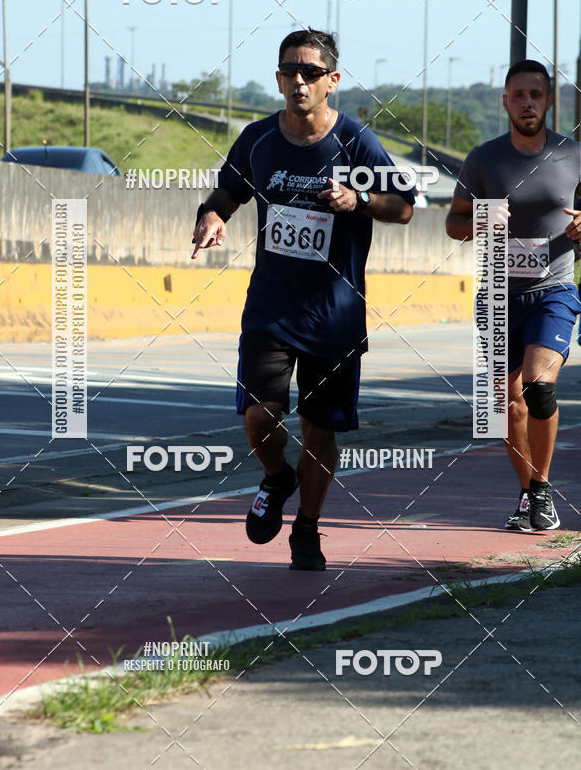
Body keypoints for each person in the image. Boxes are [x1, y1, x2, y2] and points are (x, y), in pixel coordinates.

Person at [191, 28, 415, 569]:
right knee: (258, 417)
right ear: (277, 78)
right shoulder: (258, 139)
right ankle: (276, 475)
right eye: (289, 70)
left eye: (311, 72)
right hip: (271, 306)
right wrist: (213, 214)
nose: (298, 80)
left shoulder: (354, 143)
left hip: (334, 313)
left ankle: (308, 530)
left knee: (319, 428)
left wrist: (359, 198)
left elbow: (405, 206)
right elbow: (230, 189)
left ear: (332, 82)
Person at [446, 59, 581, 532]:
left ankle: (541, 489)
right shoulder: (483, 159)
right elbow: (453, 223)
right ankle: (529, 492)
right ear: (505, 101)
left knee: (540, 387)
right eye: (519, 95)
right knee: (503, 405)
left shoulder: (574, 155)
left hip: (554, 290)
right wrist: (481, 219)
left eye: (536, 95)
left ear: (549, 101)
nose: (528, 103)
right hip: (499, 295)